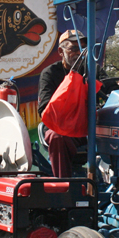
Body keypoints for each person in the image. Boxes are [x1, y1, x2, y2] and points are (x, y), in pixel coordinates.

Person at [37, 30, 92, 178]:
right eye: (74, 49)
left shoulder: (92, 71)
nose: (79, 53)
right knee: (57, 137)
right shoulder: (50, 73)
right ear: (61, 51)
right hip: (62, 128)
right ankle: (65, 187)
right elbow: (44, 111)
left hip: (87, 129)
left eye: (83, 49)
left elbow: (110, 88)